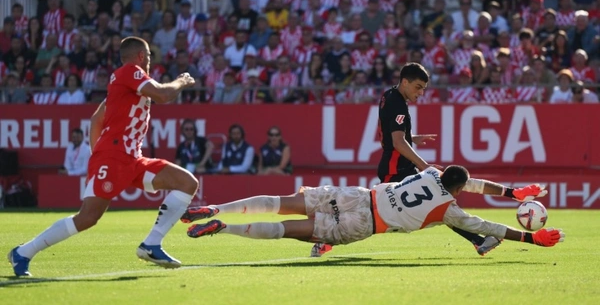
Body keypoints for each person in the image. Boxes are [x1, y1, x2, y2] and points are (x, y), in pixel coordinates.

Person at [8, 36, 198, 277]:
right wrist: (181, 81)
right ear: (141, 56)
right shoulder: (130, 71)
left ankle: (151, 244)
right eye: (149, 57)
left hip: (132, 158)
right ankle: (22, 253)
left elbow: (96, 119)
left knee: (187, 183)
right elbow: (162, 94)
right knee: (87, 217)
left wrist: (98, 151)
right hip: (114, 157)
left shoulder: (123, 86)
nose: (150, 62)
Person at [182, 166, 563, 254]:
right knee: (290, 229)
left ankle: (219, 206)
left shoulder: (430, 171)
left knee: (281, 201)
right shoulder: (448, 211)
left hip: (357, 195)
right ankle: (224, 227)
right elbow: (490, 225)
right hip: (367, 222)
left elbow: (470, 181)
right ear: (458, 189)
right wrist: (531, 237)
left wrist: (513, 191)